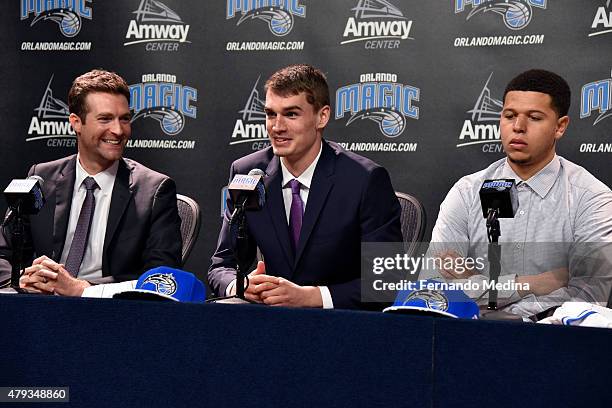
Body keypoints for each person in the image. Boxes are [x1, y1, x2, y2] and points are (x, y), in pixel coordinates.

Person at [208, 64, 402, 310]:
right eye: (270, 114)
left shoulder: (365, 180)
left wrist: (312, 297)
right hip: (269, 326)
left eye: (291, 114)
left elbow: (388, 281)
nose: (277, 127)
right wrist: (240, 285)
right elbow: (221, 265)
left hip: (343, 328)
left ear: (322, 116)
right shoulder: (247, 172)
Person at [424, 69, 612, 319]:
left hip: (551, 344)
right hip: (469, 339)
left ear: (560, 127)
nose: (518, 127)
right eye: (509, 115)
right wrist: (530, 284)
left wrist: (477, 286)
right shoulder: (467, 191)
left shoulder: (591, 198)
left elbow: (586, 302)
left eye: (534, 117)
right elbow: (434, 287)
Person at [0, 69, 182, 296]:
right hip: (41, 308)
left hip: (110, 315)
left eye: (124, 118)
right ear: (76, 122)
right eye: (105, 119)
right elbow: (4, 254)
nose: (118, 130)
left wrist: (82, 290)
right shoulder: (41, 178)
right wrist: (26, 278)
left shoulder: (154, 190)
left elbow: (163, 279)